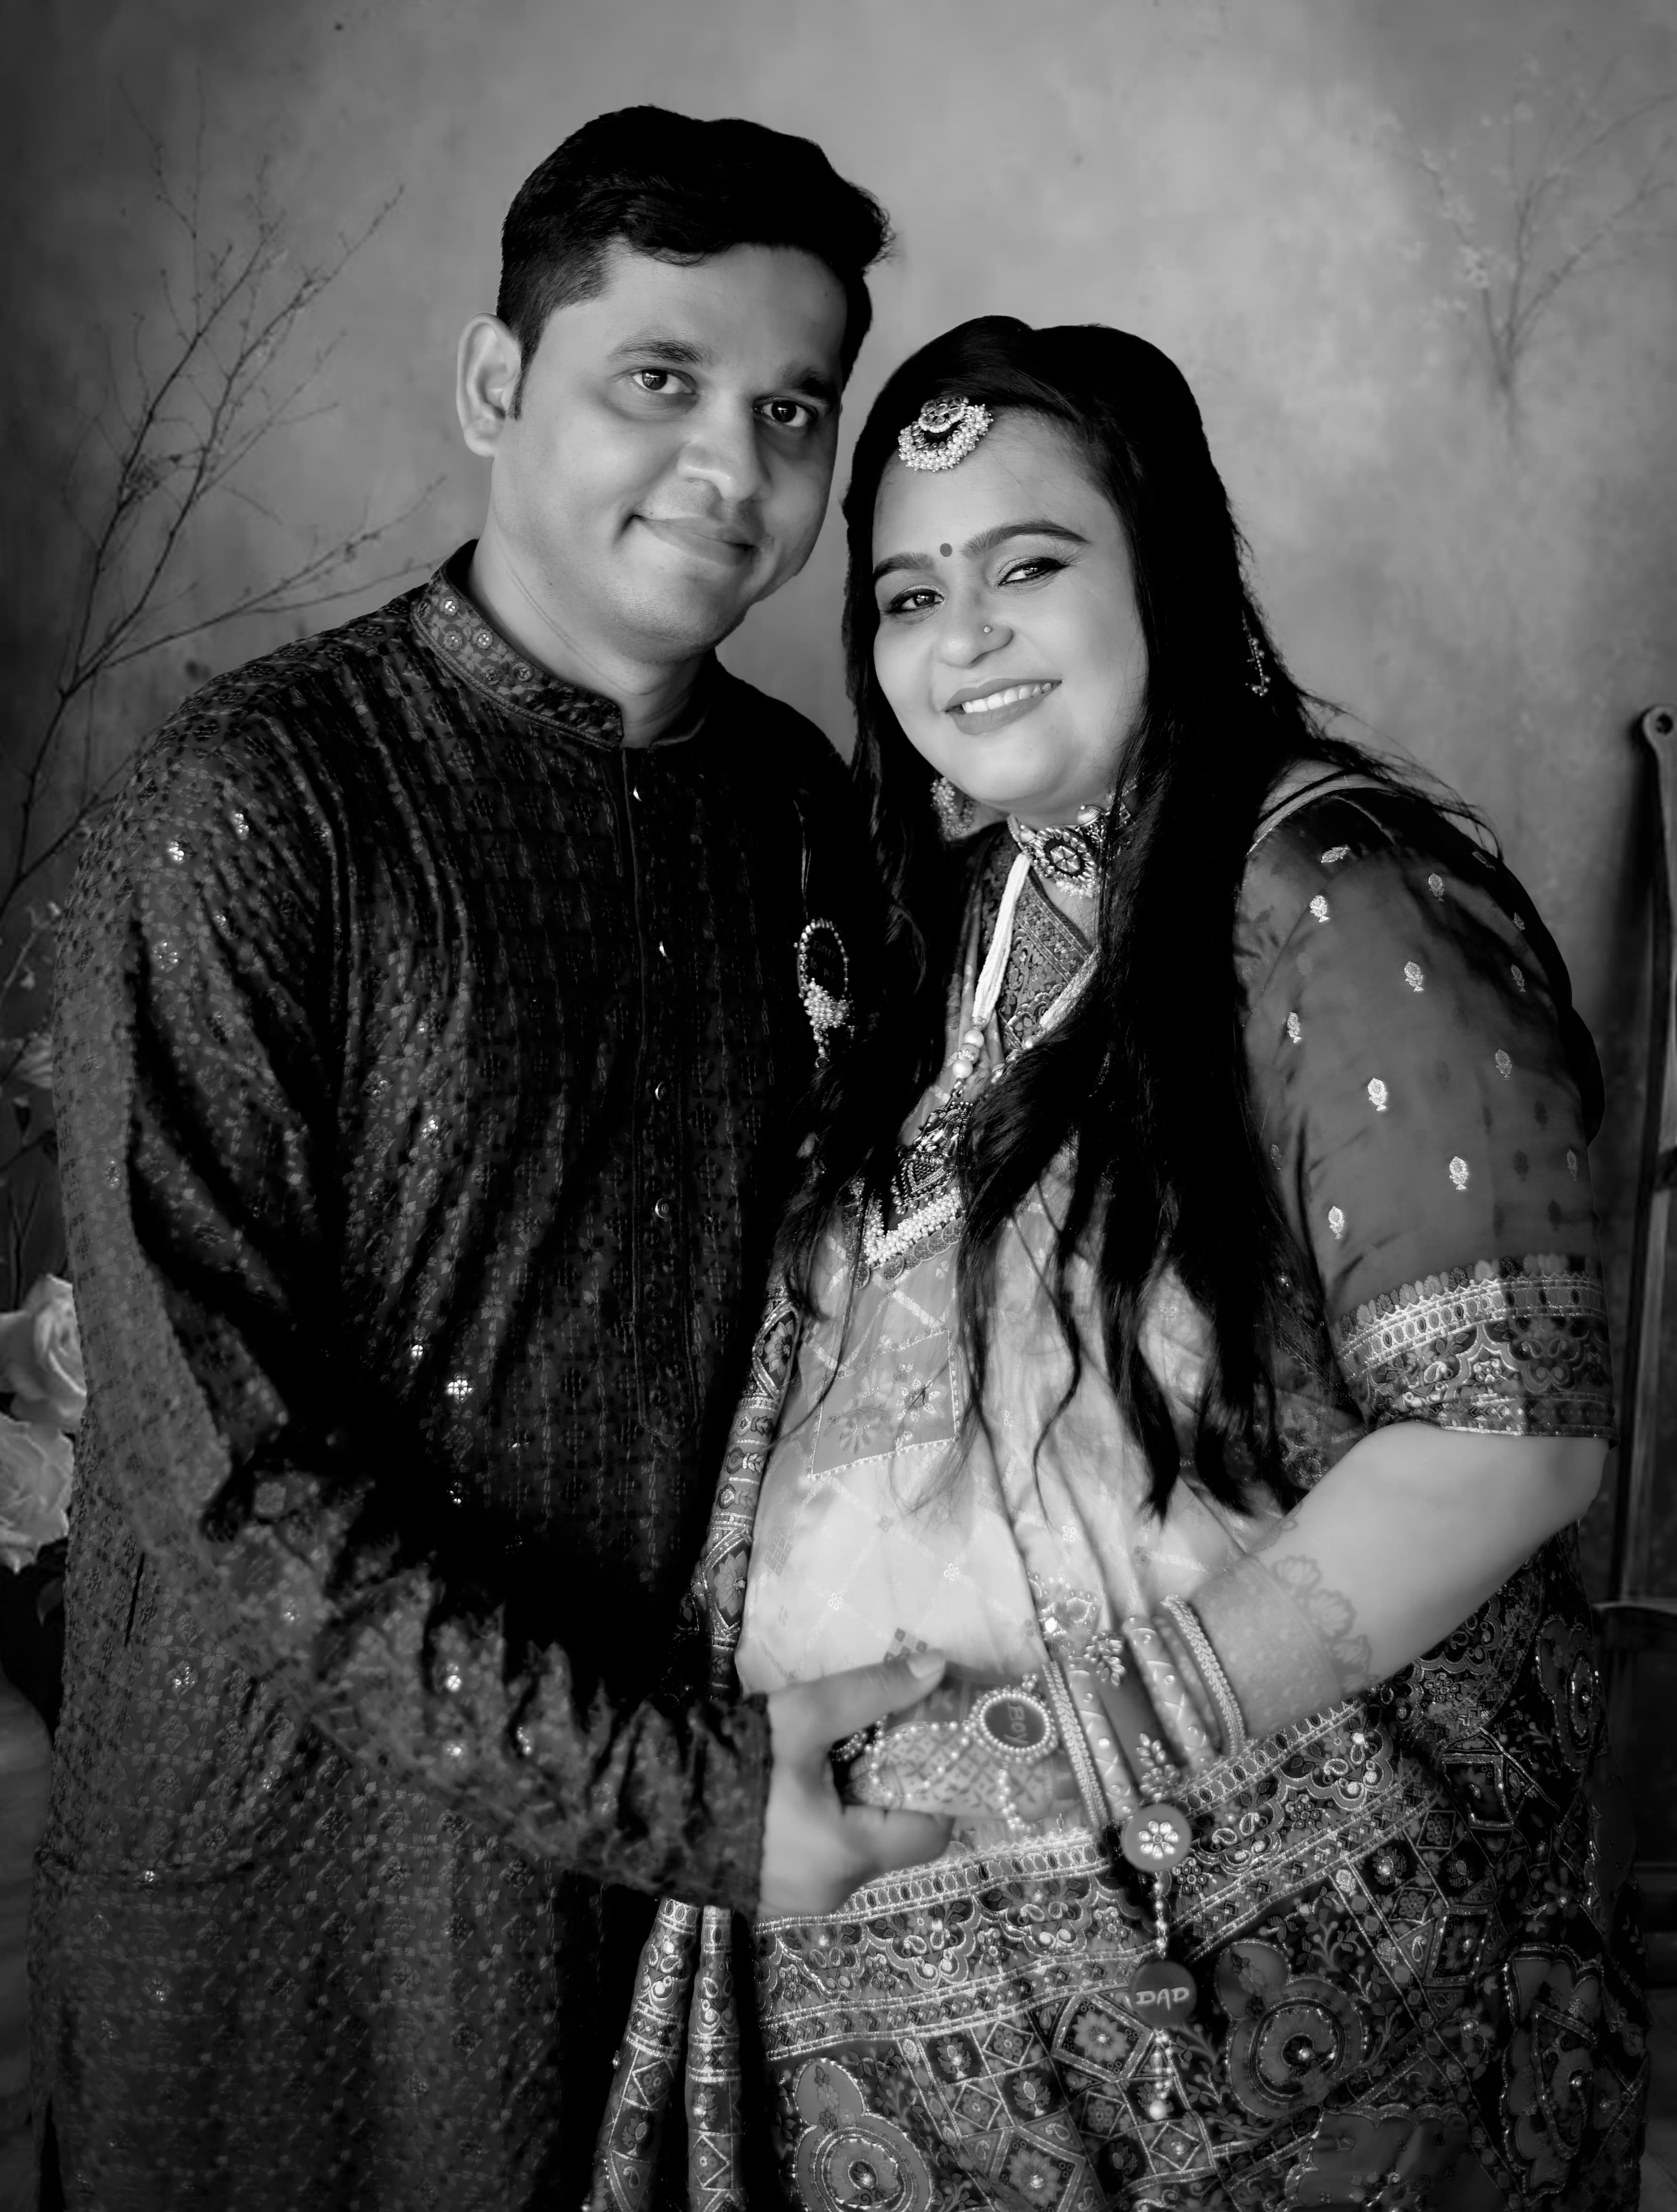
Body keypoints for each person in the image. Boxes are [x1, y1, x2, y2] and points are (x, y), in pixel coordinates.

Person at [592, 317, 1647, 2212]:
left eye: (1028, 565)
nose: (963, 636)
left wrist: (1065, 1741)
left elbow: (1508, 1440)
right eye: (910, 594)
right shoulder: (947, 928)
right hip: (891, 2007)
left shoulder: (1332, 893)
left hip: (1261, 2023)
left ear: (1161, 564)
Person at [32, 108, 953, 2212]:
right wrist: (668, 1792)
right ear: (492, 386)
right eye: (660, 379)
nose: (729, 465)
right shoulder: (254, 807)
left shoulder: (799, 813)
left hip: (673, 1866)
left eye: (791, 409)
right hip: (288, 1883)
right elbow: (219, 1471)